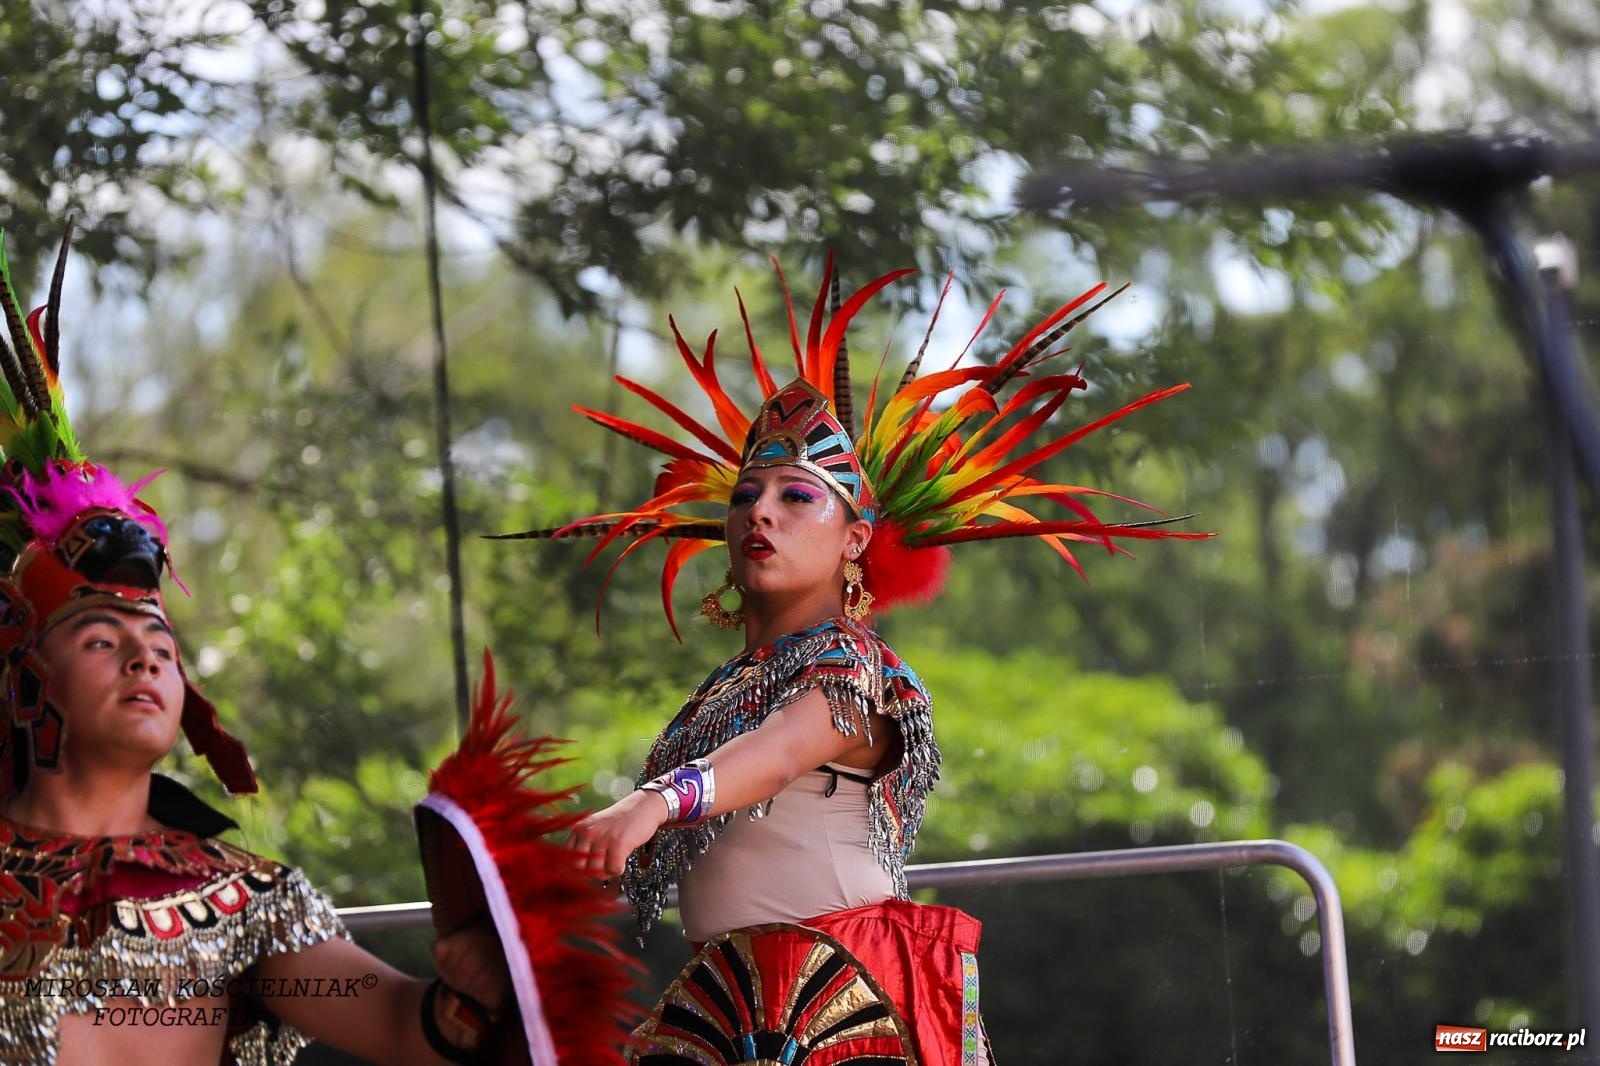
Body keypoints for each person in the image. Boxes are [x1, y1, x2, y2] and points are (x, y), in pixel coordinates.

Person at [513, 257, 1207, 1064]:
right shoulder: (717, 695)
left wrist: (652, 804)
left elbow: (777, 755)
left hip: (844, 1011)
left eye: (795, 496)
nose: (759, 513)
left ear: (856, 541)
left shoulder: (859, 668)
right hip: (734, 1008)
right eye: (745, 497)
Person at [0, 228, 516, 1066]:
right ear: (25, 684)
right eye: (102, 639)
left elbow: (400, 1025)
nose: (146, 663)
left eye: (161, 648)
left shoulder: (243, 899)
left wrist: (474, 988)